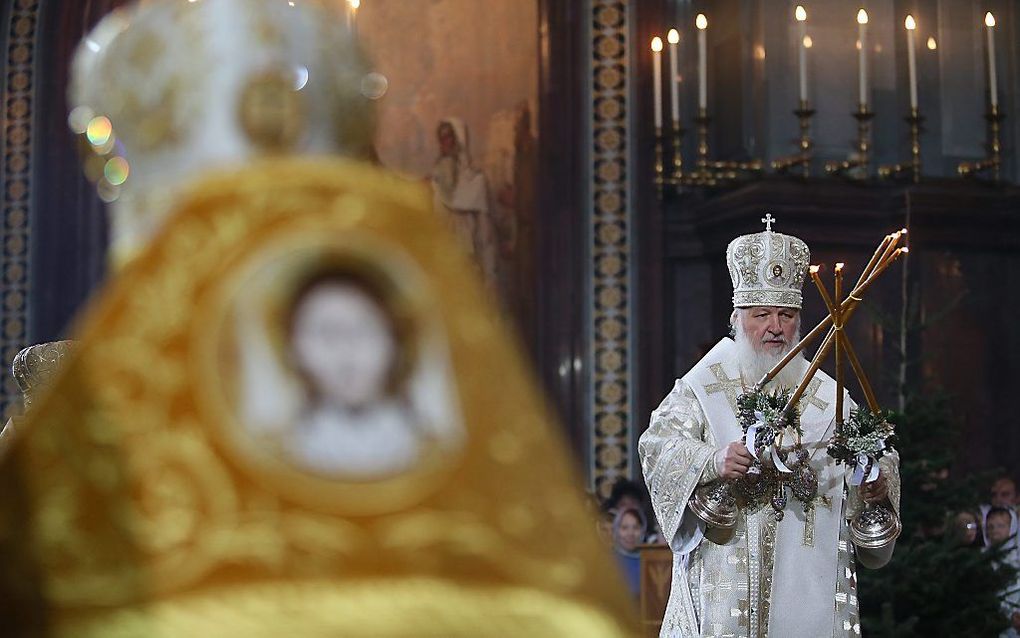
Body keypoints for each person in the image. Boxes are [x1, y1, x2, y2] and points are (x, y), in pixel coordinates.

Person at [638, 219, 901, 637]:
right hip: (724, 570)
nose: (775, 326)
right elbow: (657, 445)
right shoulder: (704, 384)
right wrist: (711, 460)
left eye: (787, 314)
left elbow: (874, 452)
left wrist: (878, 482)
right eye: (762, 315)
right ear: (739, 317)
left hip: (809, 570)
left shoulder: (825, 391)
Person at [612, 507, 647, 598]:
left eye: (636, 527)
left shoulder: (650, 561)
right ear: (616, 530)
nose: (630, 533)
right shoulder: (607, 560)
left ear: (643, 531)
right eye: (624, 528)